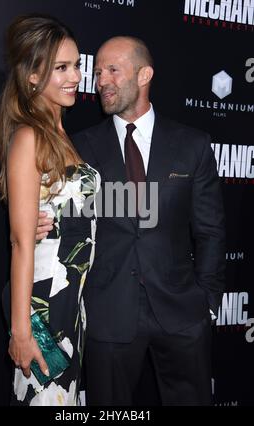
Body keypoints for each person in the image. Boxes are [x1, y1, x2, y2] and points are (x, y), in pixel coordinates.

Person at [37, 36, 226, 406]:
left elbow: (210, 231)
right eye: (97, 72)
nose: (100, 80)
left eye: (112, 70)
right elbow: (67, 217)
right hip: (109, 314)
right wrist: (39, 222)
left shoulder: (192, 145)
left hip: (182, 314)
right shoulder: (78, 147)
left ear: (144, 74)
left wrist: (207, 303)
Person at [0, 14, 100, 406]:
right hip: (43, 303)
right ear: (33, 76)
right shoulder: (28, 136)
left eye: (77, 65)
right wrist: (21, 330)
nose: (76, 76)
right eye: (61, 68)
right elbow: (20, 242)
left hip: (71, 305)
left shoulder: (62, 134)